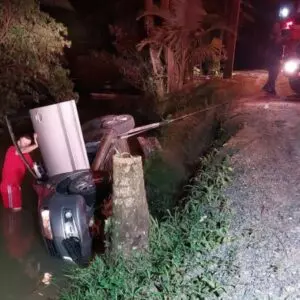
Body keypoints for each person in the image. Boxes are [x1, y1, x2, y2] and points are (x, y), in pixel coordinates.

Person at [0, 134, 38, 211]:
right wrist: (37, 144)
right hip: (9, 186)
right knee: (14, 210)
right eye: (24, 143)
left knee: (18, 208)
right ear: (18, 142)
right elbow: (21, 151)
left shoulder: (26, 155)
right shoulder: (12, 149)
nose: (26, 145)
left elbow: (32, 166)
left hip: (16, 186)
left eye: (28, 144)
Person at [262, 21, 285, 96]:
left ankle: (268, 87)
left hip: (277, 57)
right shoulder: (271, 35)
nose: (277, 27)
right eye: (275, 26)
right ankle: (271, 88)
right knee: (273, 73)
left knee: (274, 74)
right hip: (271, 57)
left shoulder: (280, 34)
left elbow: (281, 45)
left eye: (278, 26)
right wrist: (276, 40)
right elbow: (270, 45)